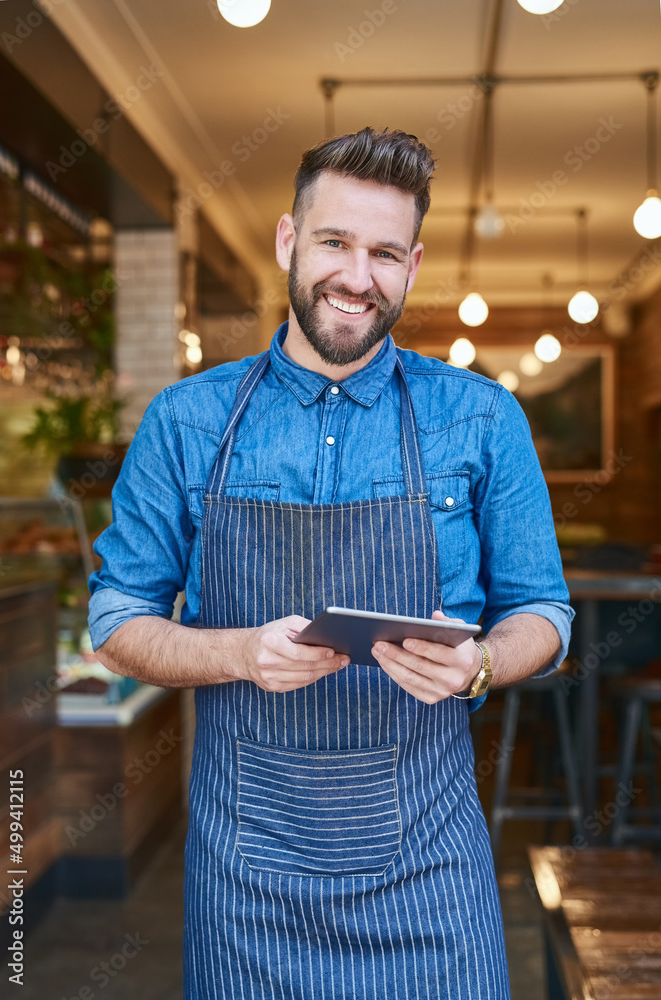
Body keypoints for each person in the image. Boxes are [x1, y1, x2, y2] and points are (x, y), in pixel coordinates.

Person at [89, 126, 573, 1000]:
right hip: (248, 879)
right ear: (287, 241)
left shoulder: (480, 419)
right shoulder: (186, 422)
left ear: (413, 264)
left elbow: (544, 610)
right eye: (334, 242)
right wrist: (237, 653)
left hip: (429, 872)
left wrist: (482, 664)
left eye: (384, 252)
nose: (357, 277)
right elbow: (116, 622)